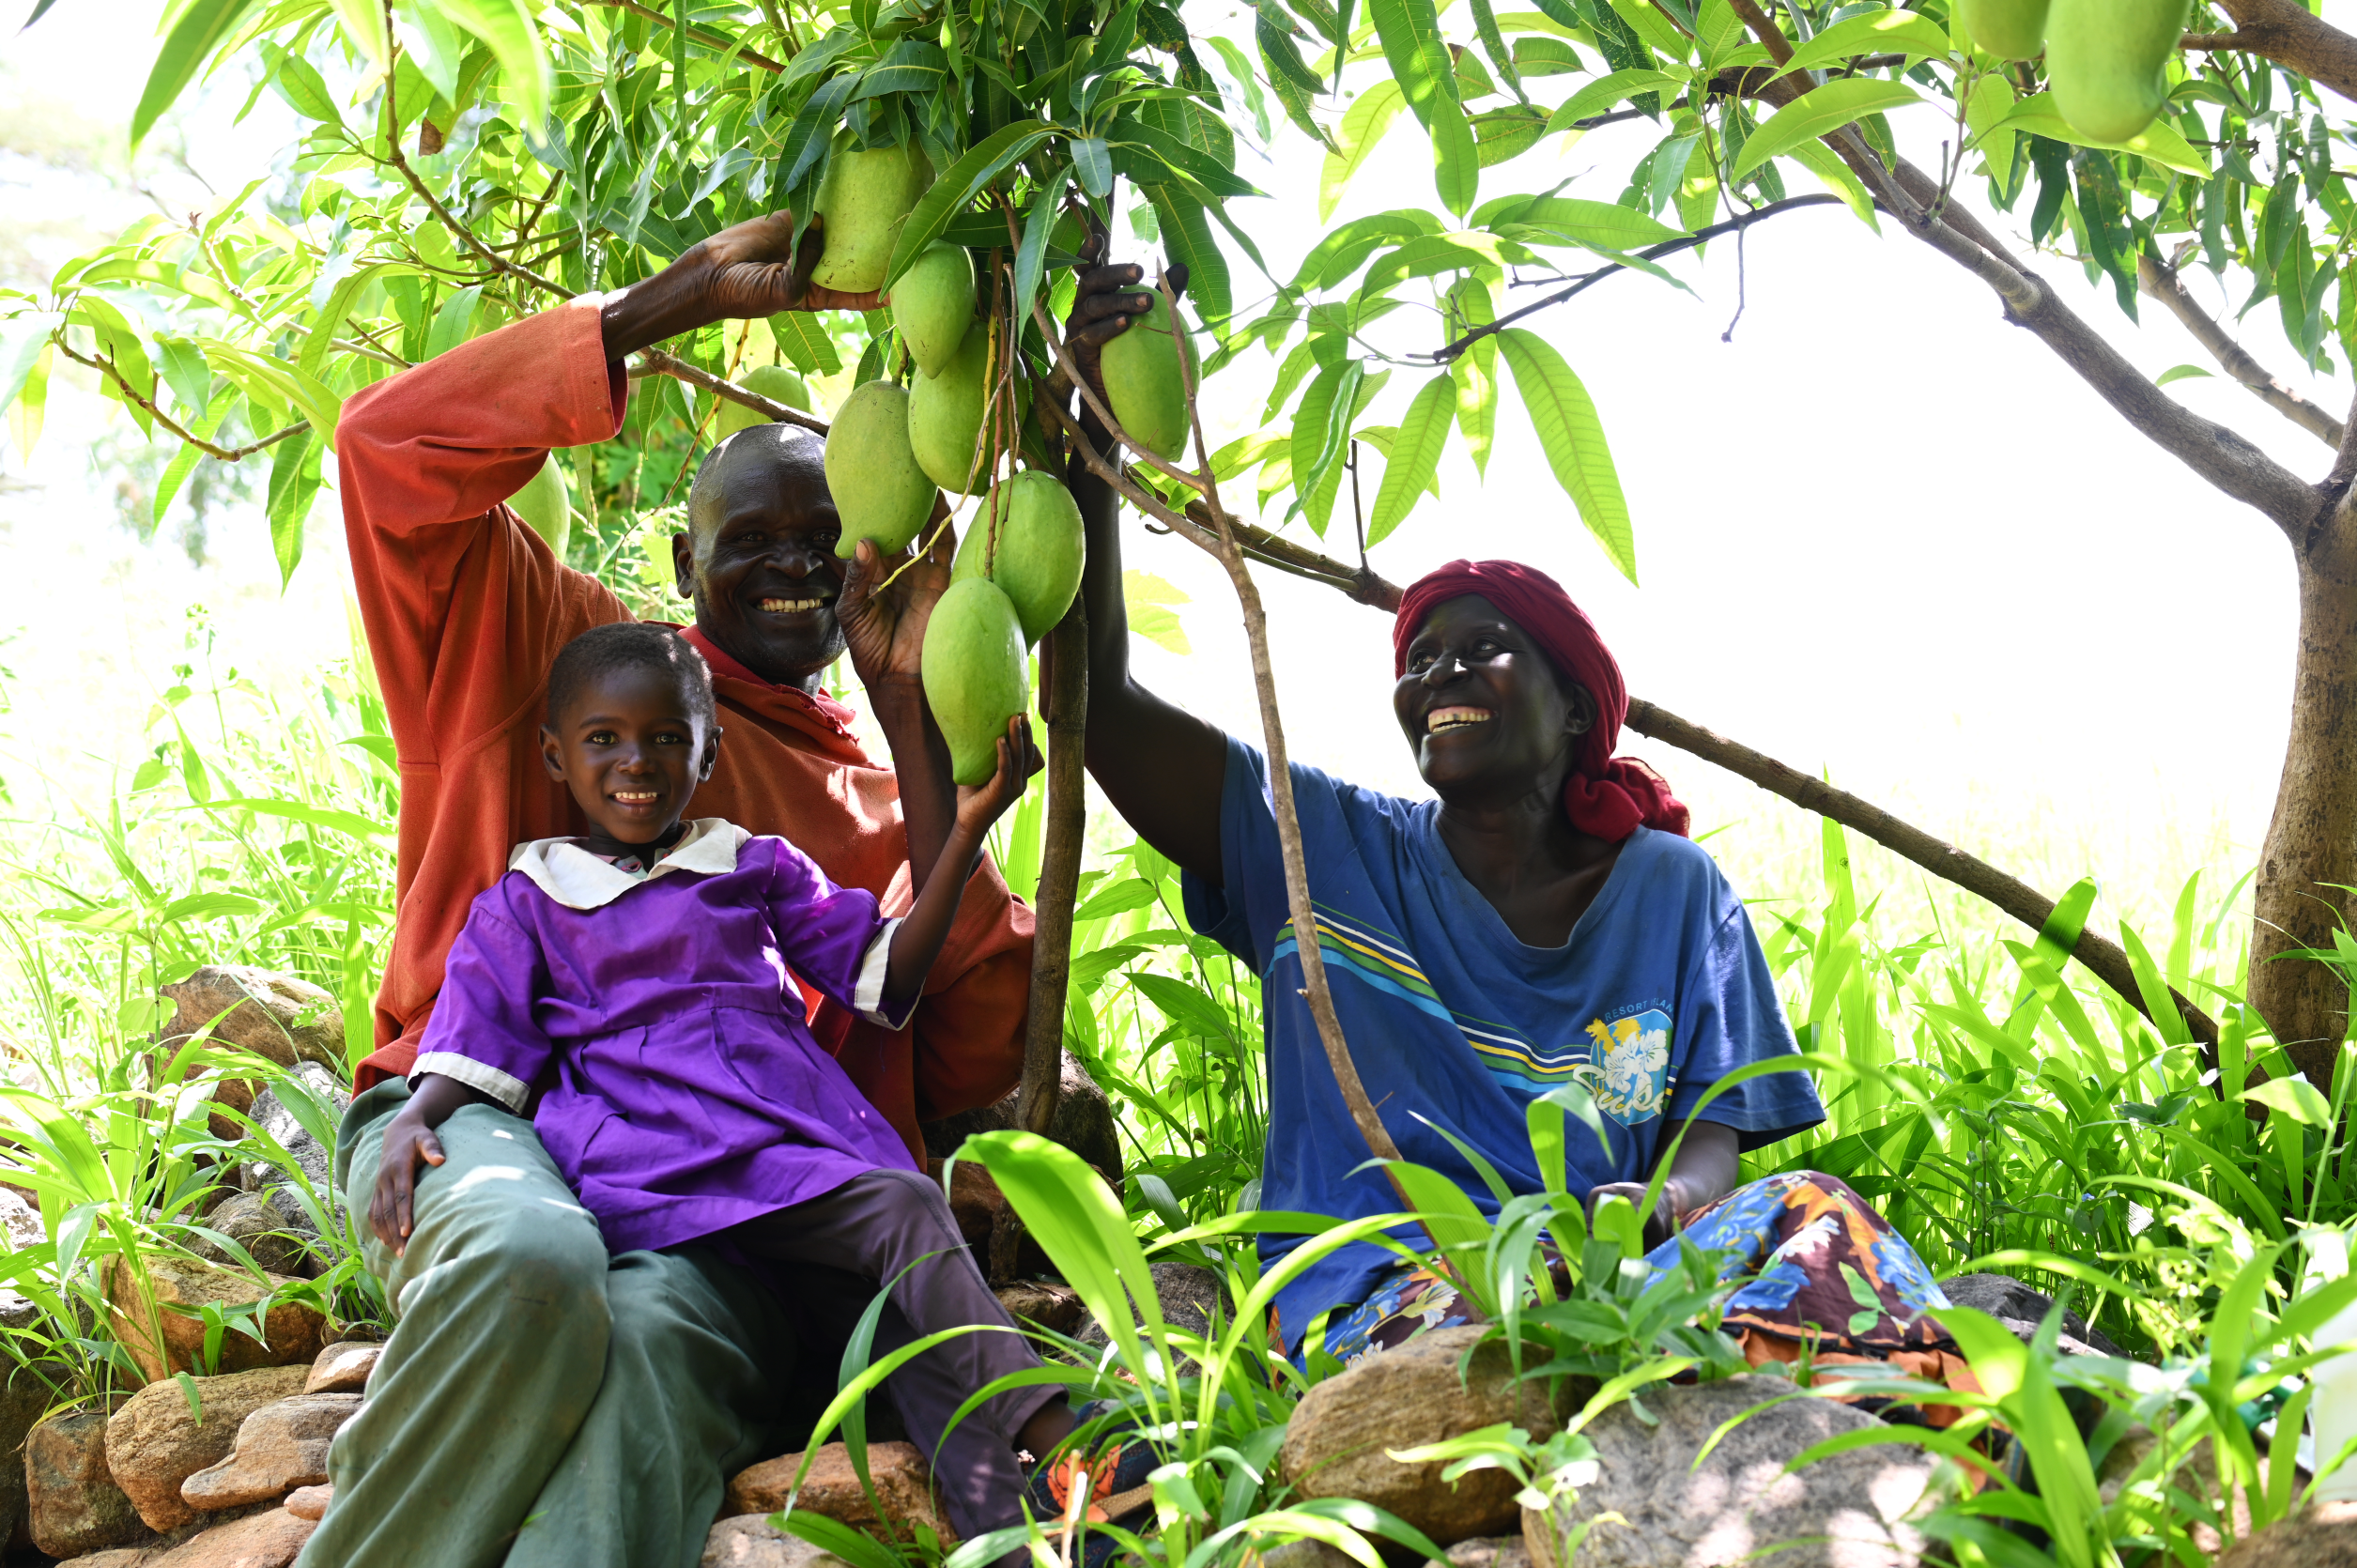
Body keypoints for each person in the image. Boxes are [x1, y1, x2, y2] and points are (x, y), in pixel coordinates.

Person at [1058, 267, 1960, 1381]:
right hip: (1385, 1299)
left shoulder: (1672, 892)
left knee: (1811, 1212)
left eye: (1481, 647)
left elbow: (1709, 1142)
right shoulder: (1317, 844)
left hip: (1612, 1273)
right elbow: (1099, 701)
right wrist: (1086, 446)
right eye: (1419, 658)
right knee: (1554, 1337)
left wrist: (1662, 1202)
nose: (1440, 672)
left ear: (1575, 704)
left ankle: (1975, 1453)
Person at [309, 215, 1034, 1568]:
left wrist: (913, 720)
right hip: (480, 1125)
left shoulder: (857, 807)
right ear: (683, 569)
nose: (793, 565)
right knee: (532, 1258)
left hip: (736, 1231)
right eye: (748, 539)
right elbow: (387, 454)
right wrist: (664, 304)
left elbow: (966, 1038)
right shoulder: (566, 660)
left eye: (826, 540)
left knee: (643, 1351)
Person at [380, 622, 1071, 1544]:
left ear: (707, 752)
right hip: (660, 1155)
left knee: (904, 1345)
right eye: (603, 738)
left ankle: (1031, 1538)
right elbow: (479, 1042)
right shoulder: (529, 897)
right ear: (555, 754)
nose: (637, 760)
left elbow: (889, 978)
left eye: (668, 736)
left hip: (784, 1144)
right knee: (901, 1205)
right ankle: (1064, 1432)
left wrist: (965, 831)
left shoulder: (750, 864)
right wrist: (410, 1118)